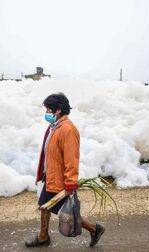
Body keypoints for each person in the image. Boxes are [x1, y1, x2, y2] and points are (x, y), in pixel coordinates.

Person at [25, 93, 105, 248]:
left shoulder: (68, 129)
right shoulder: (55, 126)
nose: (47, 113)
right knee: (44, 206)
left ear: (58, 110)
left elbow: (71, 159)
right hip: (50, 176)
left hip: (61, 180)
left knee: (67, 214)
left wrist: (70, 183)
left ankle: (95, 229)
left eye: (49, 109)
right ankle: (43, 237)